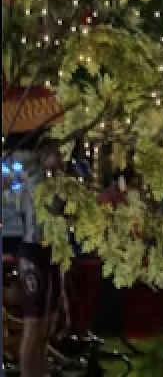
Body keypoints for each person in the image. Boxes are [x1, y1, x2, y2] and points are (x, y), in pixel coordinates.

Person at [16, 142, 65, 377]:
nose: (61, 157)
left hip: (51, 254)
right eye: (56, 152)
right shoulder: (34, 184)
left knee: (47, 324)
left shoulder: (57, 185)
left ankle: (39, 370)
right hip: (34, 253)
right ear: (44, 155)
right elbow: (37, 224)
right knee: (33, 325)